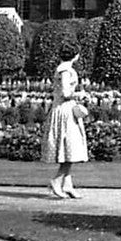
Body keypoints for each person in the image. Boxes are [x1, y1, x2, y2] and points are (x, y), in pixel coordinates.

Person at [42, 42, 89, 199]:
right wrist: (80, 95)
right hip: (65, 111)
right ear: (76, 55)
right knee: (69, 147)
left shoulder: (64, 69)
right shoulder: (65, 70)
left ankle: (67, 185)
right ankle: (56, 181)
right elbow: (66, 92)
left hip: (65, 110)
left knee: (70, 149)